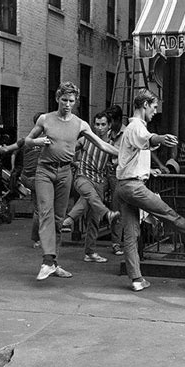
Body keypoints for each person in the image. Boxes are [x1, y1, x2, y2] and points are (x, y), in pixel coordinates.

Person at [116, 89, 185, 292]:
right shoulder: (136, 126)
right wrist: (161, 138)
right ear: (145, 105)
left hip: (125, 186)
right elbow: (149, 138)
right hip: (134, 187)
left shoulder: (132, 128)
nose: (154, 111)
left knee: (131, 234)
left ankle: (136, 279)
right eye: (153, 107)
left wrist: (148, 168)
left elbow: (134, 154)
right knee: (169, 215)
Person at [25, 81, 118, 281]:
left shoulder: (80, 124)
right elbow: (26, 141)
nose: (68, 104)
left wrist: (126, 154)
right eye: (64, 100)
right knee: (46, 212)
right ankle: (47, 260)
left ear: (75, 102)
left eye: (72, 101)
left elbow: (101, 144)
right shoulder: (45, 119)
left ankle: (53, 263)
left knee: (59, 219)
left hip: (65, 173)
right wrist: (37, 141)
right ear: (58, 98)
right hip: (45, 171)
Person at [62, 111, 120, 263]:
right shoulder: (85, 139)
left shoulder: (111, 145)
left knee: (93, 219)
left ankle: (90, 252)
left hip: (99, 181)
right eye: (97, 124)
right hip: (83, 177)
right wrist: (73, 162)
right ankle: (71, 219)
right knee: (90, 196)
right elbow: (67, 151)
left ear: (109, 126)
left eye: (103, 124)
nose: (99, 128)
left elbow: (118, 161)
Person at [19, 112, 44, 249]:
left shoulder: (26, 140)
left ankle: (40, 237)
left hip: (27, 176)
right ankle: (38, 238)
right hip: (37, 177)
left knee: (39, 208)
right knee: (40, 209)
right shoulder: (45, 140)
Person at [104, 105, 126, 256]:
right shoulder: (107, 133)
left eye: (112, 121)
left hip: (119, 174)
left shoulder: (127, 133)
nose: (109, 125)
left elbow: (129, 154)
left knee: (117, 207)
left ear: (118, 120)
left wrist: (116, 162)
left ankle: (116, 243)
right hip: (104, 172)